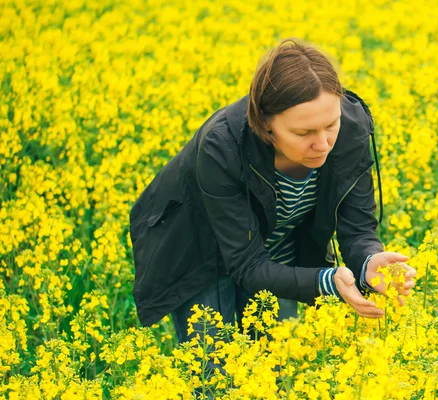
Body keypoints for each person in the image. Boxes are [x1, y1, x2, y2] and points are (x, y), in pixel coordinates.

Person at [128, 38, 417, 346]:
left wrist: (368, 260)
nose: (323, 144)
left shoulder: (351, 128)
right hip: (202, 255)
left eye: (331, 125)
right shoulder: (222, 147)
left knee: (274, 365)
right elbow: (245, 263)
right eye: (303, 132)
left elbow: (357, 228)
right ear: (265, 123)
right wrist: (326, 280)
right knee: (215, 374)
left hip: (276, 255)